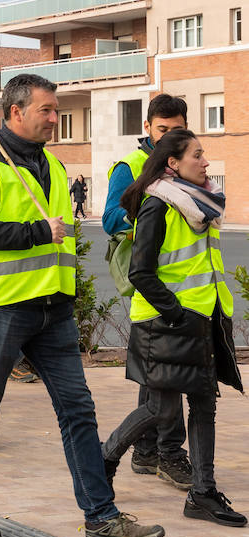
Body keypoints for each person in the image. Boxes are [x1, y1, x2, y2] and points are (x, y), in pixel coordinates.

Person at [0, 73, 164, 537]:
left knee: (78, 411)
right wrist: (32, 233)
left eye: (55, 108)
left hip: (53, 309)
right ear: (15, 112)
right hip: (0, 308)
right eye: (46, 109)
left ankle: (101, 519)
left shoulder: (51, 163)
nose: (54, 117)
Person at [101, 128, 244, 527]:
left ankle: (202, 492)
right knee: (160, 409)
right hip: (165, 321)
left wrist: (204, 314)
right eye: (197, 155)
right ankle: (104, 457)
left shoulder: (200, 203)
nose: (206, 161)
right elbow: (141, 272)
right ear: (173, 163)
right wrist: (178, 314)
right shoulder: (158, 204)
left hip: (202, 316)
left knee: (203, 403)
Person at [101, 93, 192, 489]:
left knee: (165, 380)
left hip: (189, 293)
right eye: (163, 130)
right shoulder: (132, 167)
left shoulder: (192, 166)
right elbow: (109, 218)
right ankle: (161, 453)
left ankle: (149, 452)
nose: (170, 137)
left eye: (178, 130)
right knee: (163, 381)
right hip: (154, 289)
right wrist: (151, 208)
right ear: (148, 129)